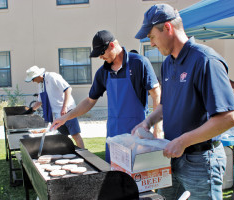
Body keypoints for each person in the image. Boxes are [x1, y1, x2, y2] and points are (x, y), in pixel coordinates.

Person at [132, 4, 234, 200]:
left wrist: (182, 141)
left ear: (167, 28)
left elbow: (229, 118)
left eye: (152, 36)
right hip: (172, 156)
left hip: (201, 160)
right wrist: (147, 122)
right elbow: (165, 105)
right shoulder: (167, 64)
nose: (152, 44)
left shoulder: (205, 60)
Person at [51, 30, 161, 163]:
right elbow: (89, 101)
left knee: (136, 177)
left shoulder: (139, 63)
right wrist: (66, 117)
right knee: (114, 177)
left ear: (112, 45)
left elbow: (157, 95)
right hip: (113, 136)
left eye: (102, 53)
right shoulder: (103, 73)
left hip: (137, 135)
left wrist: (157, 129)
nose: (100, 57)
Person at [25, 66, 84, 149]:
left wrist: (65, 107)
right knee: (62, 137)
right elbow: (40, 101)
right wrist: (30, 110)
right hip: (57, 115)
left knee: (75, 135)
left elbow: (68, 89)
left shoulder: (52, 76)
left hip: (68, 111)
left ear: (37, 76)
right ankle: (68, 154)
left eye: (33, 79)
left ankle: (83, 153)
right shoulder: (40, 85)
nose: (33, 81)